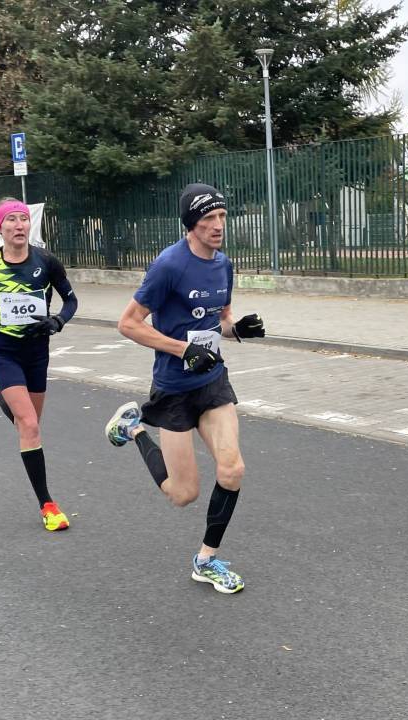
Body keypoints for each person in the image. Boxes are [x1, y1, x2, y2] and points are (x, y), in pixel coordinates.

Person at [104, 183, 266, 594]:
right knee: (182, 494)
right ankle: (133, 429)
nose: (218, 225)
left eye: (222, 216)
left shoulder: (223, 265)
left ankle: (206, 560)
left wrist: (237, 330)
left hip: (212, 383)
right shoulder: (169, 266)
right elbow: (128, 324)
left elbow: (220, 320)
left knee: (232, 470)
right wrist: (183, 350)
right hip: (174, 389)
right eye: (208, 218)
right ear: (191, 224)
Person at [0, 197, 78, 532]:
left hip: (37, 353)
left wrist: (58, 321)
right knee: (30, 426)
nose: (19, 225)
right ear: (1, 227)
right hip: (4, 352)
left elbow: (71, 300)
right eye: (12, 220)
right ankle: (48, 505)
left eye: (23, 219)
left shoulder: (45, 261)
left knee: (28, 425)